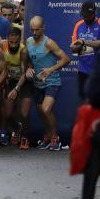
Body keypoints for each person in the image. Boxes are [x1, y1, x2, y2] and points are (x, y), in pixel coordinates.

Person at [25, 16, 70, 151]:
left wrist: (50, 69)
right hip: (37, 83)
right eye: (32, 30)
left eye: (37, 30)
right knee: (42, 112)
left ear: (43, 28)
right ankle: (47, 137)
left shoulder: (49, 43)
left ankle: (56, 138)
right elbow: (28, 59)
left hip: (52, 82)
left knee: (46, 109)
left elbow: (66, 59)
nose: (34, 33)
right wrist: (28, 68)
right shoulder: (28, 41)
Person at [1, 26, 32, 149]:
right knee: (7, 113)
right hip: (11, 81)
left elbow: (24, 73)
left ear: (20, 40)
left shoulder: (23, 51)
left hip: (24, 82)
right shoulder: (3, 47)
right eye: (11, 42)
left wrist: (17, 89)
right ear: (7, 39)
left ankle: (25, 137)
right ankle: (14, 129)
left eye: (16, 42)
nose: (13, 45)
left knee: (24, 113)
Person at [70, 1, 100, 100]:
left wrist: (84, 42)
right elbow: (74, 47)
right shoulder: (78, 25)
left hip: (99, 70)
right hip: (83, 69)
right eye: (84, 15)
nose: (86, 18)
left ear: (95, 13)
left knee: (97, 100)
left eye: (89, 15)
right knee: (84, 98)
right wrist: (74, 47)